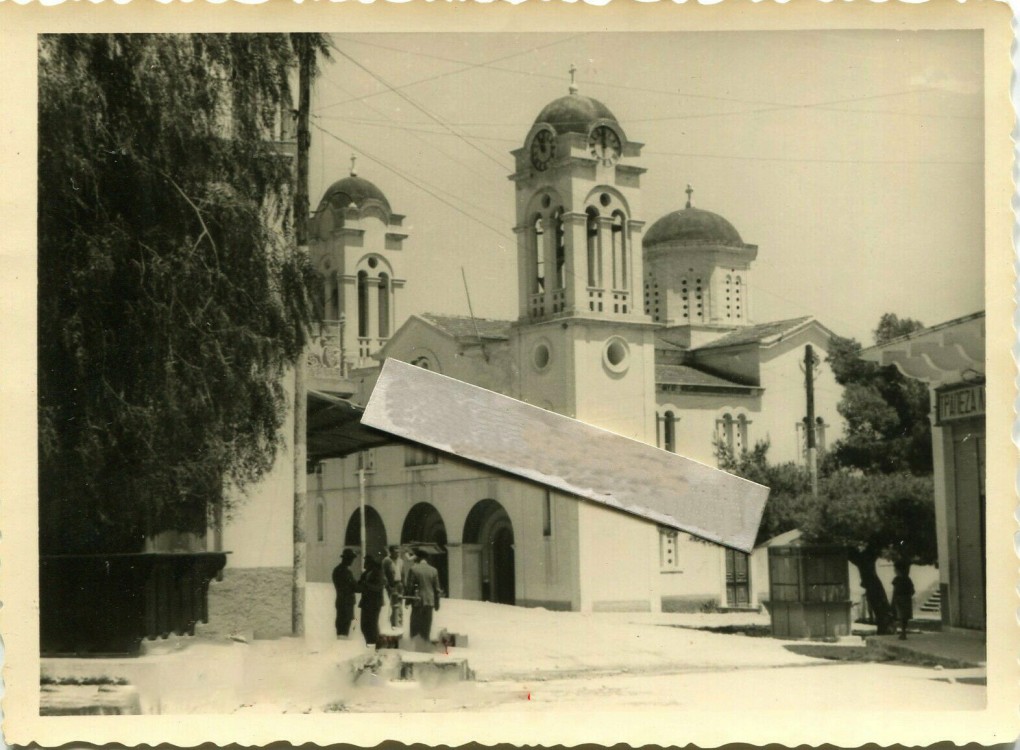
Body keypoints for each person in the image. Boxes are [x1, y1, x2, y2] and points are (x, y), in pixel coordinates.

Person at [405, 548, 442, 649]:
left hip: (417, 601)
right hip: (429, 601)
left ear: (417, 558)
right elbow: (437, 589)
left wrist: (407, 601)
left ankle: (416, 647)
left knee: (416, 625)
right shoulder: (434, 570)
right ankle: (425, 646)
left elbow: (410, 586)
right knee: (426, 625)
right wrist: (437, 603)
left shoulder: (413, 569)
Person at [357, 555, 385, 647]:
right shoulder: (365, 574)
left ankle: (375, 644)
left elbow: (378, 587)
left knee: (372, 625)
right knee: (364, 625)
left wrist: (366, 585)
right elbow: (360, 585)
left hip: (374, 603)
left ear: (371, 563)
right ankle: (370, 644)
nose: (364, 563)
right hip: (366, 603)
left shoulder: (378, 573)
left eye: (366, 561)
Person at [331, 549, 358, 637]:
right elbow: (354, 587)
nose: (352, 561)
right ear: (346, 559)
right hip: (346, 602)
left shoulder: (337, 570)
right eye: (351, 559)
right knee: (344, 628)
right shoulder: (345, 572)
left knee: (342, 626)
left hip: (342, 601)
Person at [381, 545, 404, 629]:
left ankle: (399, 622)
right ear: (391, 552)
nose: (397, 553)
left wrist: (403, 584)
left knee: (400, 604)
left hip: (399, 584)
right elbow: (383, 575)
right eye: (395, 551)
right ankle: (394, 623)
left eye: (398, 551)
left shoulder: (401, 561)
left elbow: (403, 573)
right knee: (394, 604)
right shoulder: (386, 561)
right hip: (392, 584)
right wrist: (388, 585)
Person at [891, 562, 915, 640]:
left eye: (895, 569)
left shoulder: (897, 579)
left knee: (900, 616)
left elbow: (894, 591)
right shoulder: (908, 579)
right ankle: (903, 632)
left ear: (898, 570)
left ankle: (902, 632)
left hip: (899, 599)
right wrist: (907, 596)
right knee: (904, 617)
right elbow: (912, 591)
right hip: (906, 599)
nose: (894, 571)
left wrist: (893, 600)